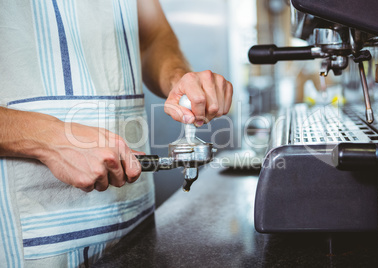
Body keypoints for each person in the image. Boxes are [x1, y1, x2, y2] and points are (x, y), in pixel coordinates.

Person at [0, 0, 233, 266]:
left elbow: (152, 38)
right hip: (29, 234)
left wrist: (177, 77)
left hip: (131, 219)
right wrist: (48, 138)